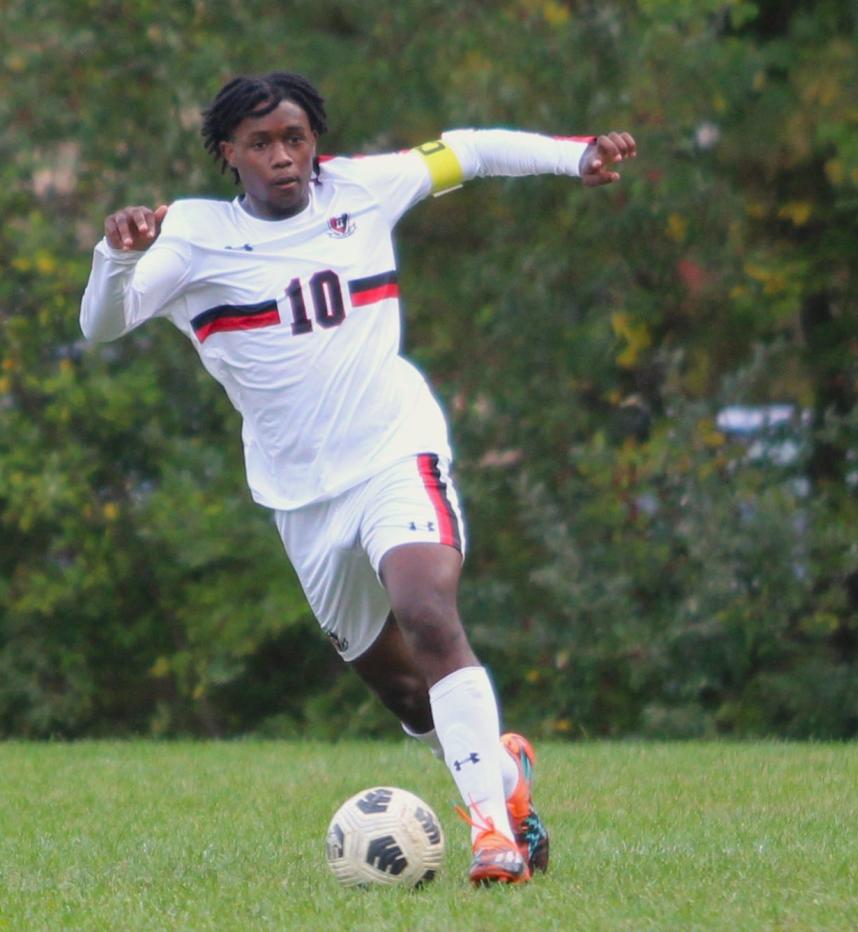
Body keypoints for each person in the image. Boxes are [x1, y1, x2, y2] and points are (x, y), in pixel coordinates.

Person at [80, 72, 636, 886]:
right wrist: (115, 258)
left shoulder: (361, 191)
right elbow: (101, 326)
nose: (283, 156)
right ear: (228, 154)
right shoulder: (193, 236)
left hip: (394, 452)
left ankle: (493, 837)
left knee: (428, 612)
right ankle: (507, 779)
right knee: (410, 699)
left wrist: (576, 155)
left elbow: (469, 152)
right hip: (301, 501)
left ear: (316, 142)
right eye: (262, 143)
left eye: (296, 138)